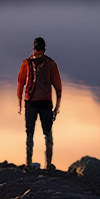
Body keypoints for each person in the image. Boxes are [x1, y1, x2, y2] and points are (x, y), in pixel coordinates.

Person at [17, 36, 62, 172]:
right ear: (44, 49)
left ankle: (29, 164)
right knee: (47, 133)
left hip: (31, 102)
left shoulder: (26, 63)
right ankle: (48, 165)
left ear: (34, 48)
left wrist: (19, 102)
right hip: (45, 102)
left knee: (30, 133)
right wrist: (57, 107)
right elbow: (58, 87)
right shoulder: (50, 63)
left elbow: (21, 82)